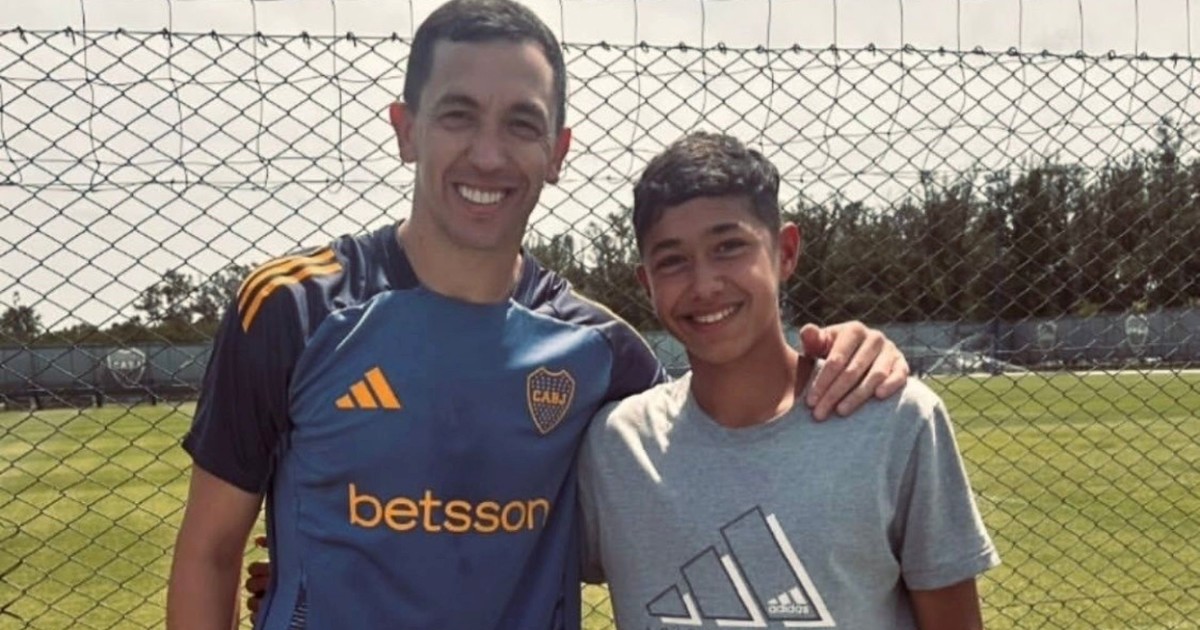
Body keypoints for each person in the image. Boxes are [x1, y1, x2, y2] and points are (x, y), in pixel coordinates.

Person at [165, 1, 911, 628]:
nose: (489, 156)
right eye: (459, 116)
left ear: (557, 152)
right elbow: (210, 552)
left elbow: (726, 433)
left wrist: (854, 351)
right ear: (405, 129)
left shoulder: (603, 352)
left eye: (522, 125)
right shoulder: (295, 308)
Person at [577, 131, 1000, 629]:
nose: (704, 284)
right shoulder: (614, 448)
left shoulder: (894, 419)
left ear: (786, 251)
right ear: (647, 283)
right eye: (672, 260)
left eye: (729, 247)